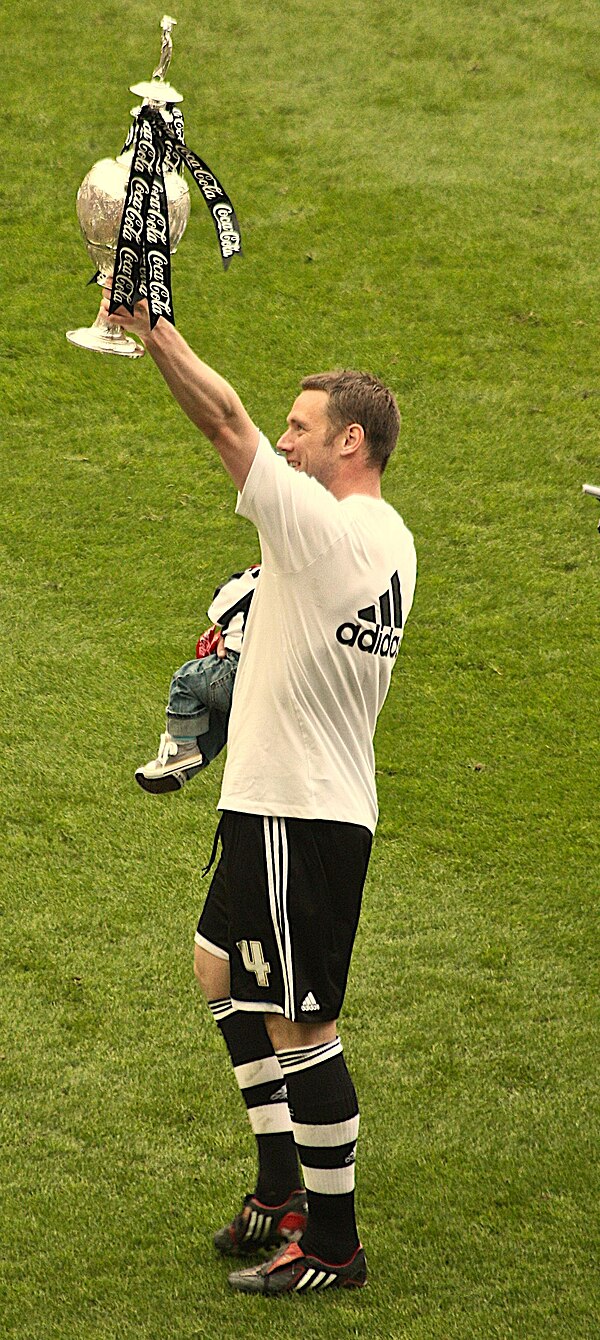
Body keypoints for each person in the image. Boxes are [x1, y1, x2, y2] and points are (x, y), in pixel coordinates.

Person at [102, 285, 417, 1296]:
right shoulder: (381, 539)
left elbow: (222, 417)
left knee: (299, 1020)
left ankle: (334, 1243)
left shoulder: (328, 532)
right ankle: (283, 1185)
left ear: (350, 443)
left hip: (298, 812)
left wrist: (148, 323)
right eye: (287, 424)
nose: (284, 441)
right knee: (216, 968)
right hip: (286, 802)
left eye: (303, 428)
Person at [135, 564, 260, 793]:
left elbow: (219, 607)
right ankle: (188, 763)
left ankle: (182, 751)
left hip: (239, 670)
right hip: (284, 679)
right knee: (221, 715)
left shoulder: (258, 577)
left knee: (186, 681)